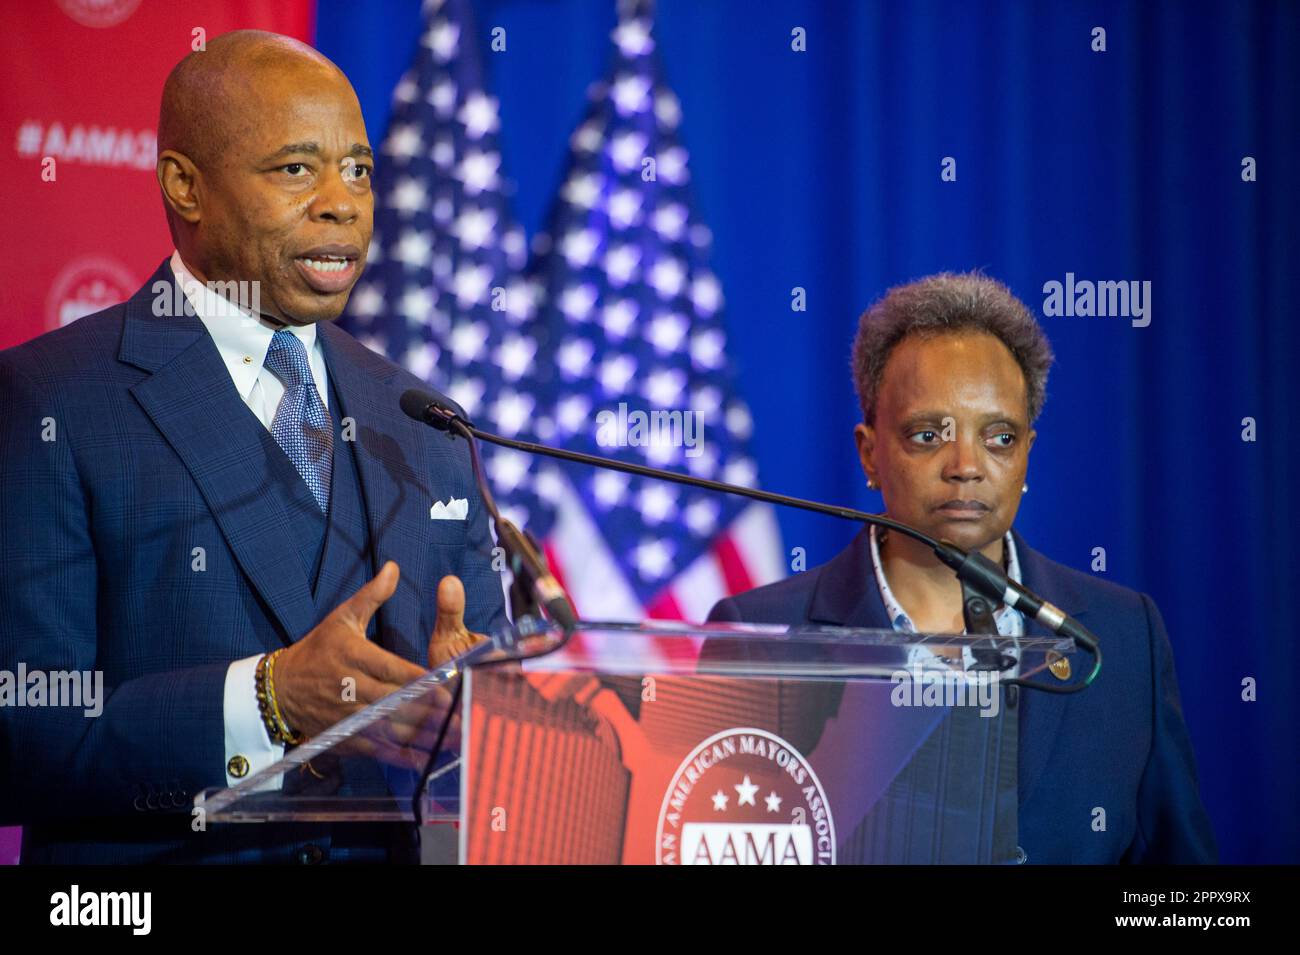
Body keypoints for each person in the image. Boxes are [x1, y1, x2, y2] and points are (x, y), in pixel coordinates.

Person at [0, 31, 504, 863]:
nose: (344, 202)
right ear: (185, 185)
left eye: (360, 171)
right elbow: (22, 734)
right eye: (297, 169)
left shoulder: (421, 420)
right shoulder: (49, 401)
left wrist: (477, 709)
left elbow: (475, 696)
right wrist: (266, 700)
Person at [707, 273, 1217, 863]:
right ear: (869, 453)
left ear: (1027, 451)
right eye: (929, 435)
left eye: (998, 437)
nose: (966, 466)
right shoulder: (758, 636)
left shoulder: (1123, 635)